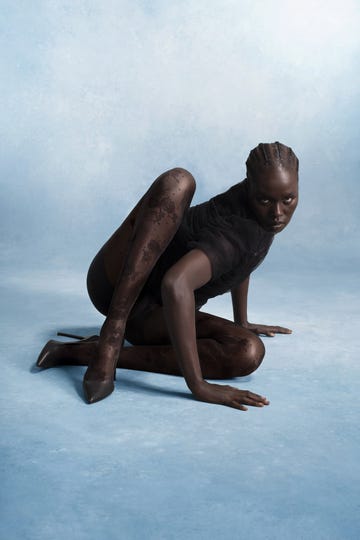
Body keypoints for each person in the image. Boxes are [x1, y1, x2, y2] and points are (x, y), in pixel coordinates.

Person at [37, 141, 299, 411]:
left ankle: (75, 352)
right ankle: (110, 337)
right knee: (179, 182)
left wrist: (241, 321)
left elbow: (243, 260)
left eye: (288, 199)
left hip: (152, 317)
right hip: (114, 284)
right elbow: (176, 283)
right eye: (265, 200)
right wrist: (197, 385)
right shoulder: (235, 232)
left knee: (248, 352)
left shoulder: (259, 215)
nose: (278, 213)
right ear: (250, 186)